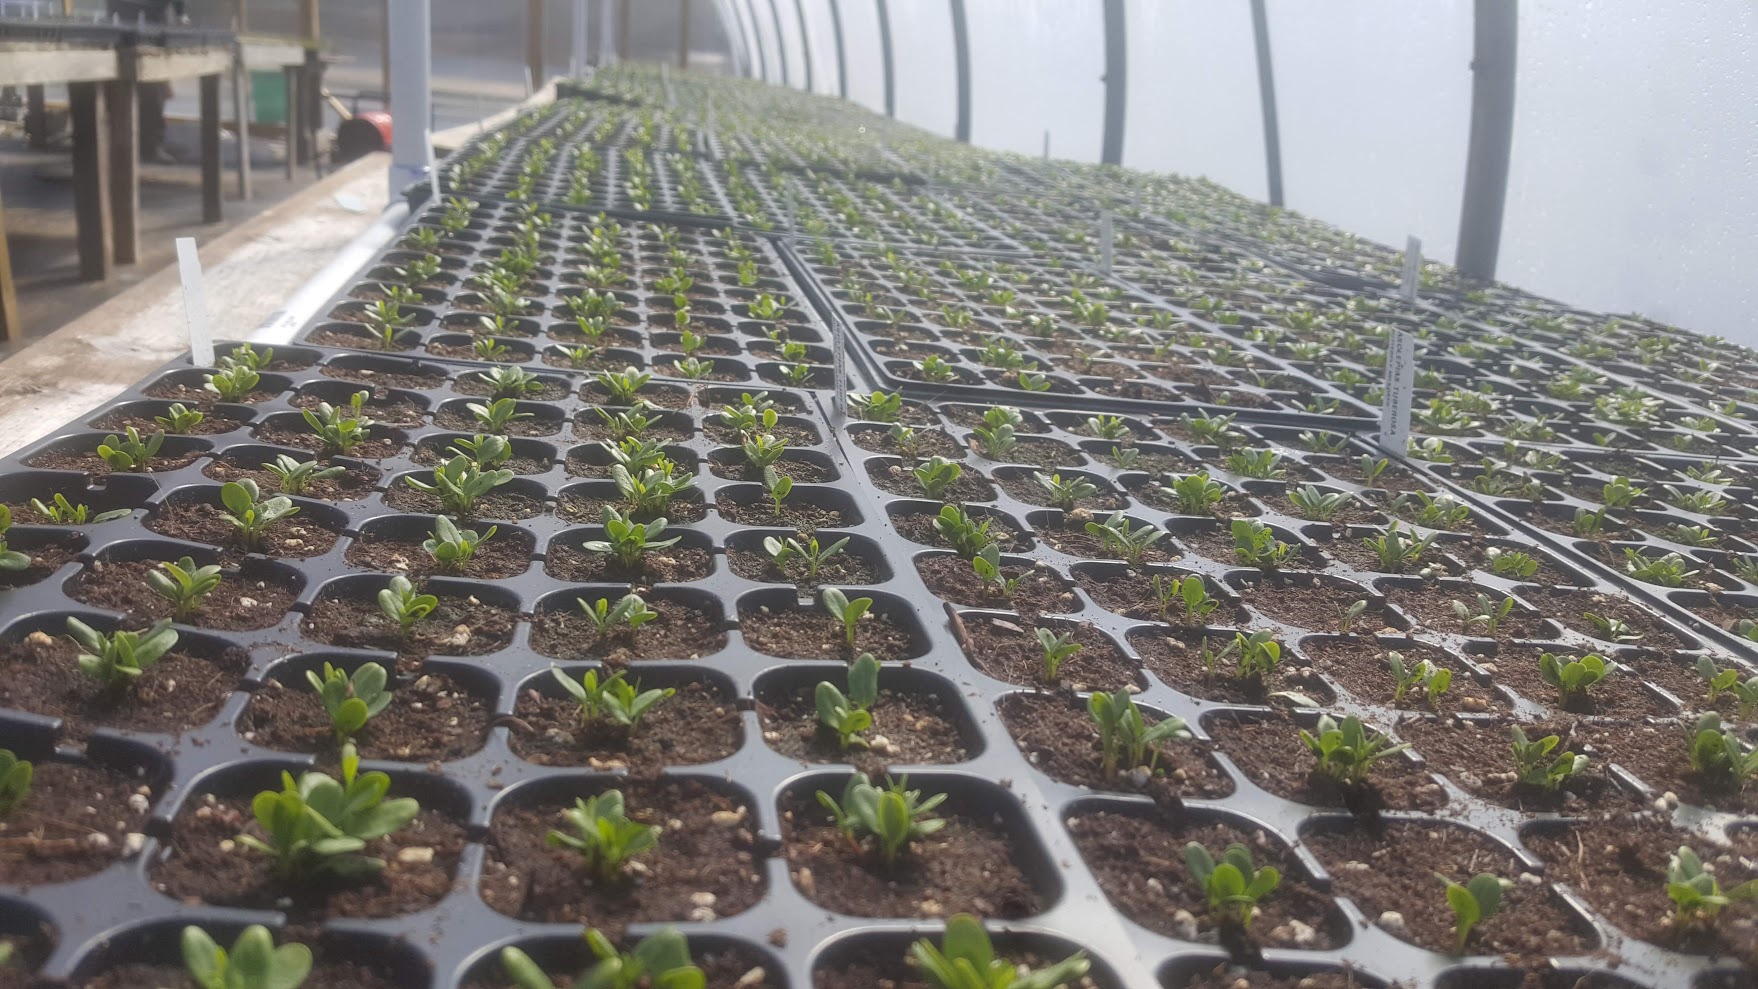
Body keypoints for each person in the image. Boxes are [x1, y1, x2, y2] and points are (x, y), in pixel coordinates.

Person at [108, 0, 189, 163]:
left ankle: (140, 145)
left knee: (147, 86)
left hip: (133, 24)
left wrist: (180, 14)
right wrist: (180, 15)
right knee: (150, 86)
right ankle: (145, 146)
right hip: (143, 25)